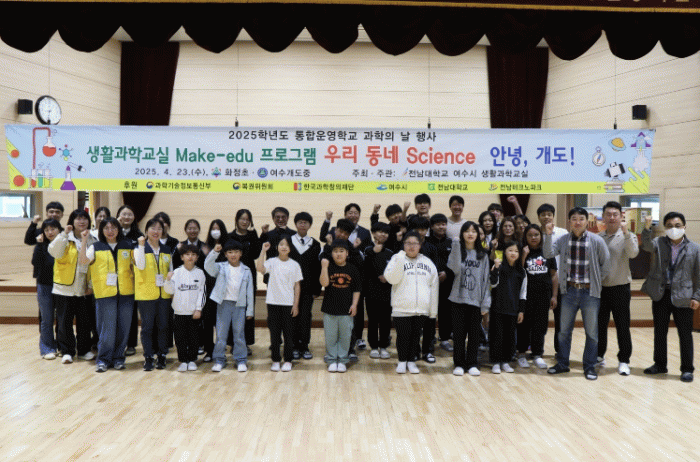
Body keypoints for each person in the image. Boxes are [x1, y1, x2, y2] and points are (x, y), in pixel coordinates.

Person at [544, 207, 610, 381]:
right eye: (574, 219)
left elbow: (606, 265)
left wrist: (596, 282)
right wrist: (548, 235)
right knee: (564, 331)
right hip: (569, 291)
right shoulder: (563, 240)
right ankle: (562, 364)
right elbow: (548, 253)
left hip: (590, 292)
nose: (578, 222)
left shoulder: (596, 240)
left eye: (581, 219)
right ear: (569, 222)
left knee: (592, 333)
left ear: (587, 221)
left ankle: (589, 366)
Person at [641, 213, 700, 383]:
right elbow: (646, 245)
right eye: (669, 226)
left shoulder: (695, 248)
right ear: (665, 228)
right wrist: (647, 228)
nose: (673, 229)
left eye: (677, 225)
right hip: (661, 294)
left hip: (684, 297)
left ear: (684, 227)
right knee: (660, 332)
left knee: (685, 334)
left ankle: (687, 369)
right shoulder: (659, 243)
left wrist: (697, 297)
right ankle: (660, 365)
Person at [80, 217, 135, 372]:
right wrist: (84, 241)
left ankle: (118, 358)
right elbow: (83, 261)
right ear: (101, 231)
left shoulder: (128, 245)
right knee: (106, 329)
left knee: (123, 328)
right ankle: (103, 359)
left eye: (113, 228)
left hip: (126, 292)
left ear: (119, 229)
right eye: (106, 228)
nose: (110, 231)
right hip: (105, 293)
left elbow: (137, 265)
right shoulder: (96, 247)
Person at [384, 231, 439, 374]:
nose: (411, 246)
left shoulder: (428, 262)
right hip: (401, 307)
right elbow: (391, 279)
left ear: (420, 245)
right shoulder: (397, 258)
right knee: (403, 336)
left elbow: (434, 287)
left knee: (415, 337)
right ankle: (402, 361)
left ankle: (411, 362)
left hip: (421, 308)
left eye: (415, 243)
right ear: (403, 244)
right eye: (408, 243)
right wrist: (400, 258)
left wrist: (433, 311)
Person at [48, 209, 97, 364]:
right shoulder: (64, 237)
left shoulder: (93, 239)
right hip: (64, 288)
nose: (81, 222)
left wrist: (91, 285)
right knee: (64, 322)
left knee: (84, 322)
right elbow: (54, 252)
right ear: (72, 221)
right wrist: (63, 234)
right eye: (78, 219)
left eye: (84, 219)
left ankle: (83, 350)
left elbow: (94, 265)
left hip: (84, 288)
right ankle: (67, 351)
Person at [597, 201, 639, 376]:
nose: (612, 217)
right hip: (601, 289)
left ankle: (624, 361)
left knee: (622, 326)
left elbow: (633, 253)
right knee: (599, 325)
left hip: (621, 288)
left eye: (615, 214)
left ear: (621, 216)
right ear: (603, 217)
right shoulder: (598, 237)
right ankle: (599, 356)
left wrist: (626, 232)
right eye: (608, 214)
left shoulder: (628, 235)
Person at [447, 221, 493, 376]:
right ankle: (459, 364)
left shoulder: (483, 255)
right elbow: (454, 268)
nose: (470, 234)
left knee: (474, 335)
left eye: (474, 231)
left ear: (478, 235)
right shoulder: (457, 250)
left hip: (476, 301)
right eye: (467, 231)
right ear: (462, 234)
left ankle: (472, 363)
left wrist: (485, 304)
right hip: (457, 300)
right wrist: (455, 245)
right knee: (459, 335)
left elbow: (486, 280)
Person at [205, 240, 255, 372]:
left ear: (241, 253)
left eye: (236, 252)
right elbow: (207, 266)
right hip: (223, 304)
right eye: (230, 252)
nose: (233, 255)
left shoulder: (246, 270)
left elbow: (250, 292)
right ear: (226, 254)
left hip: (240, 306)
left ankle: (241, 359)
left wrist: (250, 310)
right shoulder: (220, 267)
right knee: (221, 334)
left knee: (239, 334)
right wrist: (214, 252)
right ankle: (219, 359)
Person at [257, 236, 302, 372]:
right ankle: (276, 360)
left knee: (288, 334)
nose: (284, 247)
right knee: (274, 334)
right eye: (281, 244)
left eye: (287, 245)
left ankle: (288, 360)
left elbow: (297, 286)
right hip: (273, 303)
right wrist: (263, 251)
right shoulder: (272, 262)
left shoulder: (294, 264)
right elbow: (259, 268)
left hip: (288, 304)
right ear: (277, 247)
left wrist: (295, 305)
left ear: (290, 248)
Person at [134, 218, 173, 371]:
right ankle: (148, 357)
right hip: (146, 295)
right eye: (152, 228)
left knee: (163, 326)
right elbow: (140, 265)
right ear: (146, 231)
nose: (156, 231)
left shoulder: (166, 249)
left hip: (164, 295)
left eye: (159, 229)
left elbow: (171, 270)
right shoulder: (138, 249)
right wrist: (141, 245)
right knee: (147, 328)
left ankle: (162, 355)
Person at [518, 224, 558, 369]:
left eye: (536, 235)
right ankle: (521, 354)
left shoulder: (547, 252)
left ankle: (537, 354)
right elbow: (518, 272)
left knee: (540, 326)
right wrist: (523, 255)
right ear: (525, 237)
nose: (533, 237)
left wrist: (554, 296)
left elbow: (553, 275)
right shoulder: (522, 251)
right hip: (526, 296)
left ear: (541, 236)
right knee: (524, 325)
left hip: (543, 295)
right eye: (530, 235)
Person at [320, 239, 361, 372]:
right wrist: (324, 267)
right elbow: (324, 283)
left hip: (346, 310)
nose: (338, 254)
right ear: (331, 253)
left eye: (341, 251)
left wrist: (354, 305)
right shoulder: (328, 267)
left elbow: (357, 289)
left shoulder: (352, 269)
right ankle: (332, 359)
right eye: (335, 251)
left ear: (347, 253)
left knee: (345, 337)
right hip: (329, 309)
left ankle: (343, 360)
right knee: (330, 337)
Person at [165, 244, 207, 372]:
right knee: (180, 338)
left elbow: (202, 292)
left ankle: (192, 360)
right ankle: (183, 360)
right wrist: (168, 280)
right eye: (187, 254)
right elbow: (169, 291)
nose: (190, 257)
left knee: (194, 338)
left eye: (193, 255)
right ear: (182, 257)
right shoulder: (176, 273)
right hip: (179, 313)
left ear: (197, 258)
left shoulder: (200, 273)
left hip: (194, 313)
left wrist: (198, 309)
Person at [489, 241, 526, 374]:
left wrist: (521, 310)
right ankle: (495, 362)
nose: (513, 253)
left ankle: (505, 361)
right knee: (497, 336)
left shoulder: (521, 271)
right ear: (504, 252)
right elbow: (492, 284)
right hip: (497, 308)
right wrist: (496, 268)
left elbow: (523, 293)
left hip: (513, 309)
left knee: (509, 337)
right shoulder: (498, 266)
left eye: (516, 251)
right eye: (510, 250)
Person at [289, 212, 322, 360]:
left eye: (305, 222)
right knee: (292, 316)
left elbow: (317, 269)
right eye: (300, 222)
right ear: (296, 224)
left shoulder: (315, 244)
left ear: (310, 225)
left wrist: (317, 289)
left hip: (308, 288)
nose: (303, 224)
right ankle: (294, 345)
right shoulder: (288, 242)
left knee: (305, 316)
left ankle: (304, 346)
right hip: (290, 288)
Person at [536, 203, 568, 354]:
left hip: (560, 282)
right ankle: (537, 350)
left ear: (553, 216)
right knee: (539, 320)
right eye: (543, 214)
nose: (546, 217)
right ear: (539, 217)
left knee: (560, 320)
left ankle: (560, 350)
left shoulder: (562, 233)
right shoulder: (535, 233)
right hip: (540, 284)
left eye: (549, 214)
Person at [228, 208, 262, 349]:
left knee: (248, 310)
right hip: (232, 277)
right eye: (242, 219)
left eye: (247, 219)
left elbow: (255, 254)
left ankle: (245, 343)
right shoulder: (229, 236)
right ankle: (232, 343)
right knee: (232, 309)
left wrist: (262, 235)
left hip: (248, 277)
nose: (244, 222)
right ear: (237, 220)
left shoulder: (253, 235)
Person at [363, 222, 394, 360]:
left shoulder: (390, 252)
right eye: (380, 231)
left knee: (386, 320)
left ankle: (384, 346)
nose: (383, 234)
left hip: (387, 292)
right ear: (374, 233)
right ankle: (374, 347)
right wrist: (374, 253)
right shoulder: (367, 250)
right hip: (371, 292)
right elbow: (365, 270)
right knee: (373, 320)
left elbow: (394, 271)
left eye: (386, 232)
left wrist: (388, 278)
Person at [32, 218, 62, 360]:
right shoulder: (41, 245)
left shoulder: (64, 244)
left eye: (53, 229)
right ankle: (47, 348)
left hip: (62, 285)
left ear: (59, 230)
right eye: (47, 230)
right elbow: (35, 262)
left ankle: (62, 346)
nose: (50, 232)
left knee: (62, 319)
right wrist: (38, 245)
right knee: (47, 319)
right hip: (44, 285)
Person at [200, 219, 229, 362]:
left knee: (221, 323)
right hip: (207, 288)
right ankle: (209, 350)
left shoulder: (227, 246)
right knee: (207, 320)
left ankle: (221, 350)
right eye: (213, 228)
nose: (215, 231)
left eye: (218, 228)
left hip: (223, 289)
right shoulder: (205, 247)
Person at [427, 213, 454, 353]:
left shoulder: (451, 243)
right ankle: (430, 338)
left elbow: (455, 262)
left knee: (445, 312)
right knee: (430, 312)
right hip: (429, 283)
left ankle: (444, 339)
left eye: (443, 224)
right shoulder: (426, 242)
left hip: (446, 283)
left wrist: (446, 273)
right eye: (438, 224)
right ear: (432, 226)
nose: (441, 227)